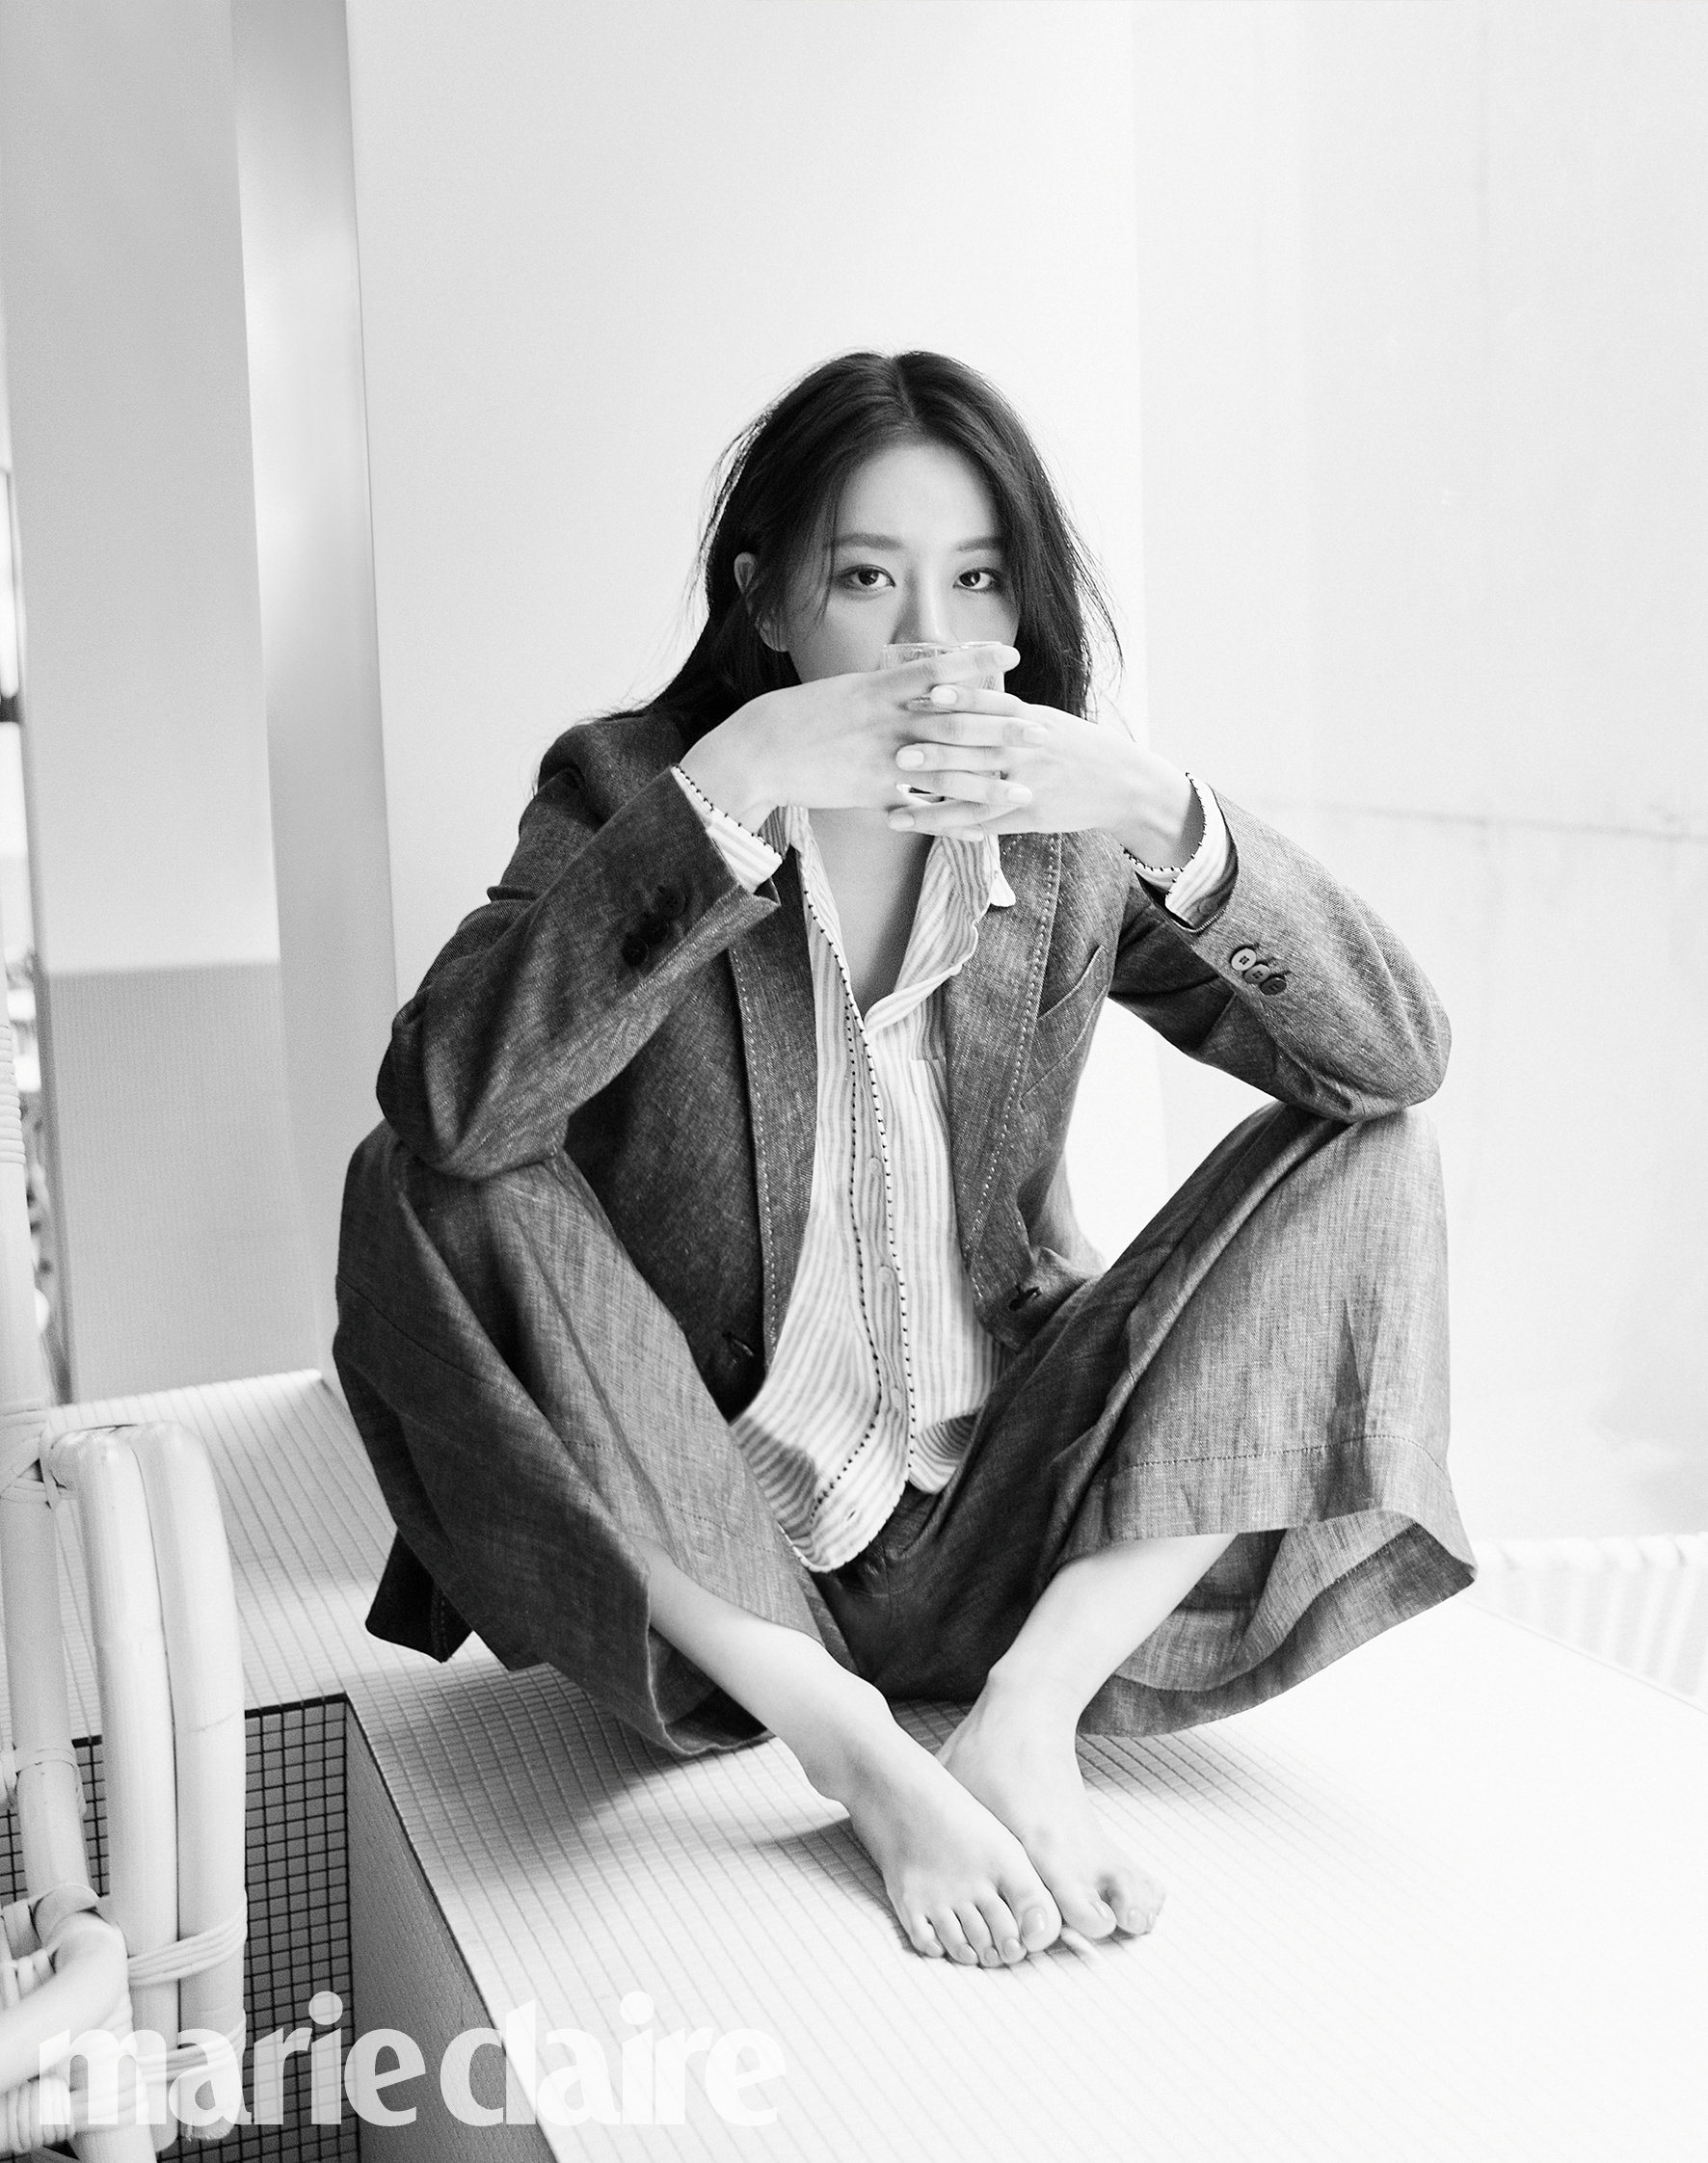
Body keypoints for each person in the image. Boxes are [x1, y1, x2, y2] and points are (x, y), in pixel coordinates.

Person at [334, 349, 1474, 1972]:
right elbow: (454, 1101)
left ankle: (1026, 1720)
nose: (932, 641)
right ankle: (857, 1752)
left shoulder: (1058, 827)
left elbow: (1390, 1057)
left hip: (1009, 1511)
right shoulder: (632, 793)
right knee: (418, 1169)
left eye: (979, 580)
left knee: (1376, 1153)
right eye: (868, 579)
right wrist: (733, 782)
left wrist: (1159, 809)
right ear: (769, 602)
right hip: (724, 1548)